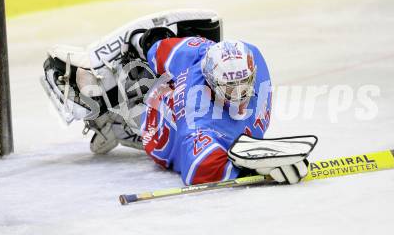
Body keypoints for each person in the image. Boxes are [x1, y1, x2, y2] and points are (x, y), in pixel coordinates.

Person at [41, 10, 312, 186]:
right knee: (143, 106)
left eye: (243, 83)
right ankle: (114, 122)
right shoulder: (197, 126)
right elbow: (199, 171)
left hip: (173, 107)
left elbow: (155, 45)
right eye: (229, 87)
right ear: (210, 81)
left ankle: (114, 114)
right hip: (159, 134)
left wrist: (145, 42)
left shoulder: (209, 55)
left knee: (154, 60)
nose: (239, 93)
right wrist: (257, 171)